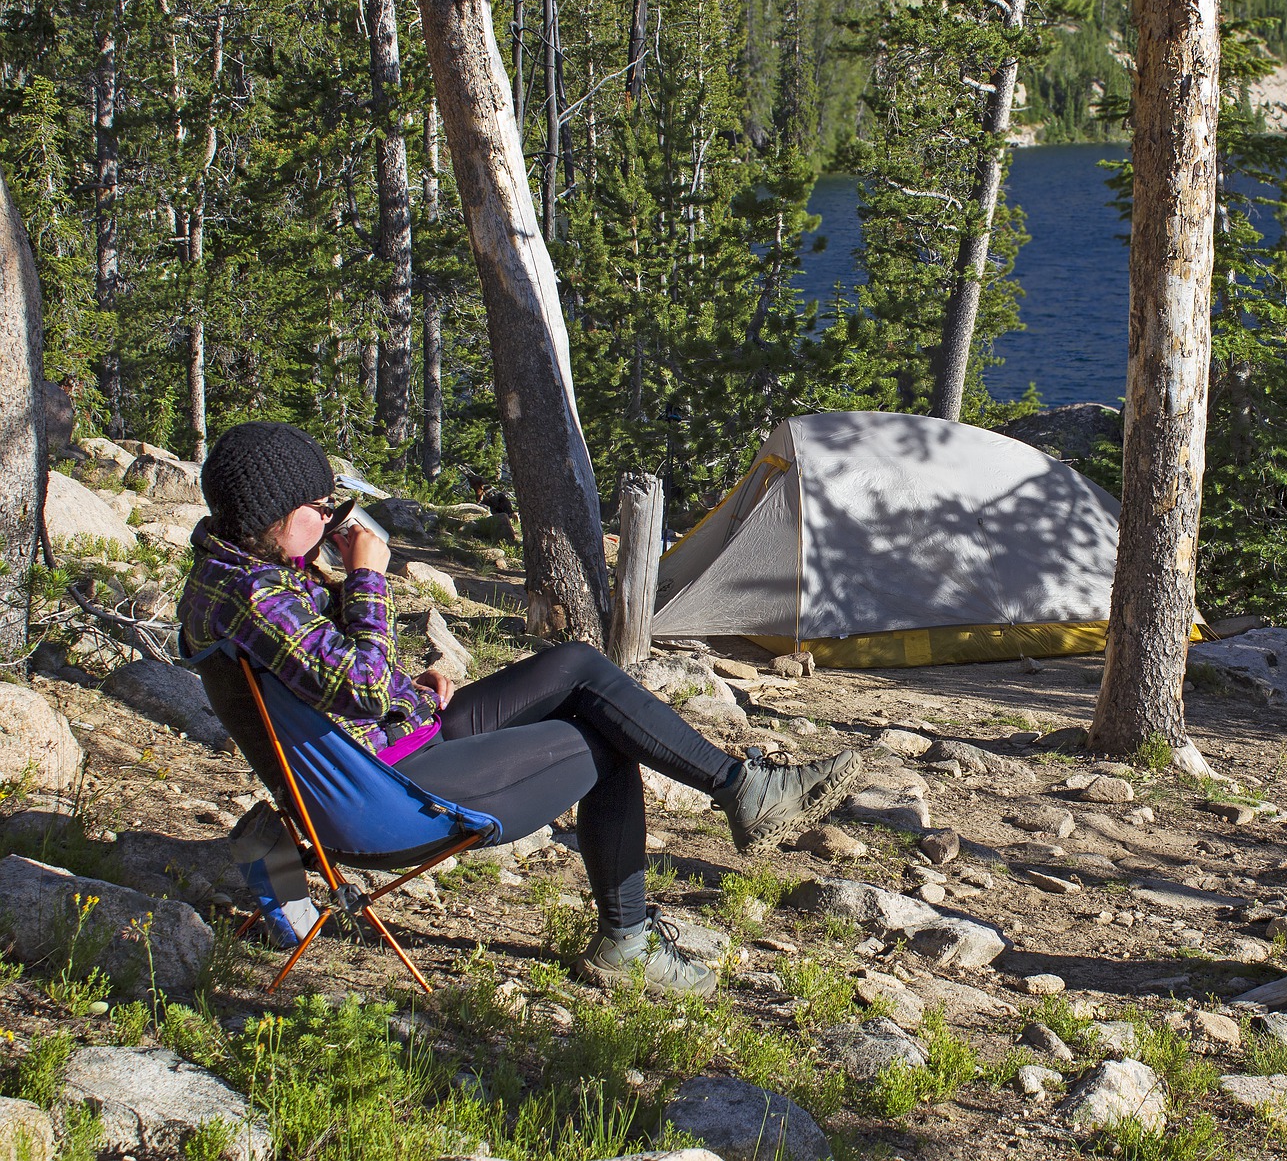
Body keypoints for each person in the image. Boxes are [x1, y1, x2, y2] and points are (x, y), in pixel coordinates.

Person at [178, 422, 861, 995]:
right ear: (275, 515)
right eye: (322, 508)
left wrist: (409, 691)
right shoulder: (254, 596)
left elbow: (335, 684)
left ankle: (743, 787)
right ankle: (630, 940)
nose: (332, 521)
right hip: (379, 798)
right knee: (603, 739)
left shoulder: (240, 576)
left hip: (381, 752)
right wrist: (366, 575)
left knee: (579, 668)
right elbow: (356, 682)